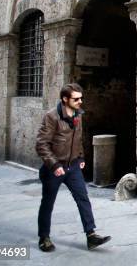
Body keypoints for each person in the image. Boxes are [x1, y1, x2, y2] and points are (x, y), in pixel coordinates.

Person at [35, 83, 111, 252]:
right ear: (65, 99)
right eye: (76, 99)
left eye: (81, 98)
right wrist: (54, 165)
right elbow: (41, 144)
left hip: (73, 166)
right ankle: (44, 238)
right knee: (48, 202)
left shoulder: (78, 114)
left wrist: (81, 156)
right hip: (54, 168)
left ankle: (91, 236)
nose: (80, 101)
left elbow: (78, 138)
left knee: (83, 198)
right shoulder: (52, 117)